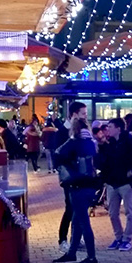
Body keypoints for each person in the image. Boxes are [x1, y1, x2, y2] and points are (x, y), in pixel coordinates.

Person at [52, 118, 100, 263]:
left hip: (77, 185)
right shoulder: (92, 142)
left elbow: (57, 153)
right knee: (77, 221)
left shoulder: (73, 142)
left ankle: (91, 257)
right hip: (91, 186)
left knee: (83, 223)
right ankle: (71, 254)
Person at [98, 117, 132, 251]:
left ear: (118, 128)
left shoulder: (129, 142)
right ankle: (118, 237)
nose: (107, 129)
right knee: (112, 212)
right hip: (112, 182)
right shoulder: (109, 143)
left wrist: (131, 173)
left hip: (126, 182)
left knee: (129, 212)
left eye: (110, 127)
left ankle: (127, 239)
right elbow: (104, 162)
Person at [56, 101, 88, 253]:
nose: (85, 116)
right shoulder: (63, 132)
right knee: (70, 207)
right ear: (74, 114)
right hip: (69, 176)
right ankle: (62, 239)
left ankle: (76, 237)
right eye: (83, 113)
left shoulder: (82, 129)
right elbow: (59, 155)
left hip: (81, 175)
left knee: (80, 207)